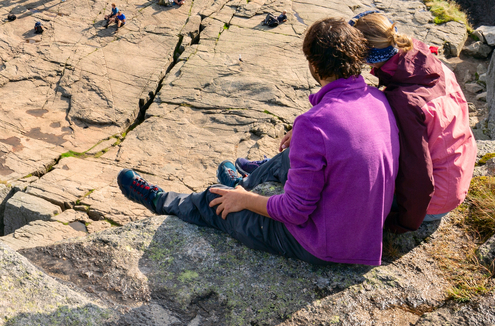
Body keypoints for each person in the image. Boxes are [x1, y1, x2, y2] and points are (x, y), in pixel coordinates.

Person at [118, 18, 399, 266]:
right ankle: (240, 183)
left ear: (314, 66)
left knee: (214, 203)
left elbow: (295, 212)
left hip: (324, 244)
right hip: (364, 231)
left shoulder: (315, 124)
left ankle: (162, 200)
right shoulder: (376, 99)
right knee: (288, 156)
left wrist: (246, 201)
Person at [350, 11, 477, 232]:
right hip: (458, 174)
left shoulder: (404, 101)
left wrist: (401, 223)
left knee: (343, 181)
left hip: (434, 202)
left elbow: (417, 172)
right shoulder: (428, 62)